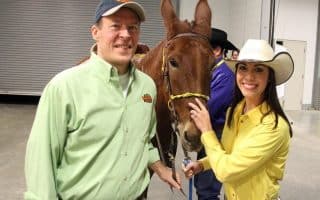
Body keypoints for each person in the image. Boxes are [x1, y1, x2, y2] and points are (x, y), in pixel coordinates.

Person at [24, 1, 181, 199]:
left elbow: (144, 141)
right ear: (95, 32)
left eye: (132, 27)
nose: (125, 34)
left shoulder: (146, 87)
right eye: (115, 25)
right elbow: (42, 161)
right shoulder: (64, 88)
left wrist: (160, 168)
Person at [184, 39, 294, 200]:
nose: (249, 76)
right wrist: (203, 164)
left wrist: (207, 130)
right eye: (243, 68)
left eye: (258, 69)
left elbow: (226, 171)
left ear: (270, 76)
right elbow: (230, 153)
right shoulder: (235, 111)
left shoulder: (273, 127)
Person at [194, 28, 237, 200]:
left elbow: (208, 109)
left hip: (217, 134)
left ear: (216, 50)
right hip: (208, 133)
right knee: (202, 183)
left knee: (207, 189)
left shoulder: (225, 76)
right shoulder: (211, 72)